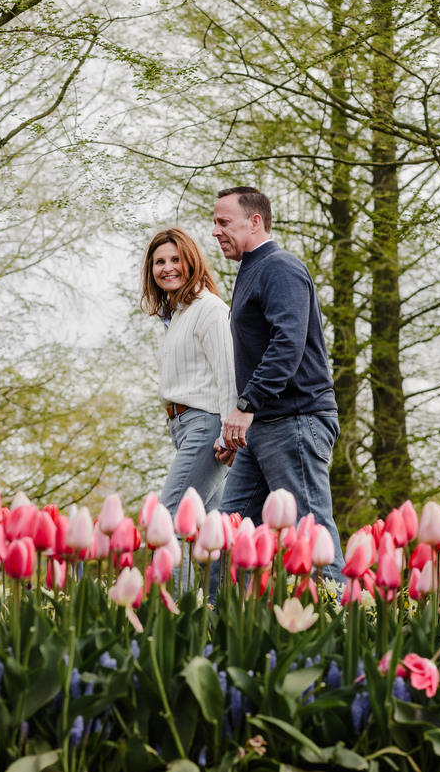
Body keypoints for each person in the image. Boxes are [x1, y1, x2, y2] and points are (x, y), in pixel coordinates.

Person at [212, 186, 345, 580]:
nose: (216, 231)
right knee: (228, 537)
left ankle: (344, 633)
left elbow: (287, 343)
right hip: (265, 427)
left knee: (312, 537)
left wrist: (246, 405)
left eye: (224, 222)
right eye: (214, 223)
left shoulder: (279, 267)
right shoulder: (252, 270)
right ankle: (218, 634)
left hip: (296, 421)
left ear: (255, 221)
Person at [141, 228, 235, 567]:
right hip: (183, 427)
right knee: (215, 528)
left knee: (167, 522)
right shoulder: (176, 316)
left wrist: (229, 433)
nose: (167, 268)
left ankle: (172, 614)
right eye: (159, 262)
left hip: (207, 426)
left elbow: (228, 374)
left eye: (175, 259)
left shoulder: (209, 308)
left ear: (191, 261)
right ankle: (214, 613)